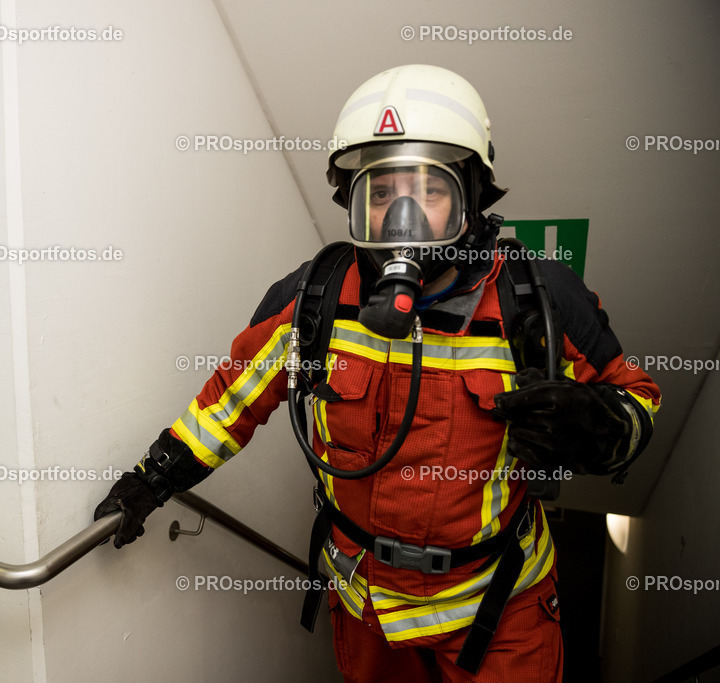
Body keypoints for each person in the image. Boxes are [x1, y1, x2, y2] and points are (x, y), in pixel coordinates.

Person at [94, 64, 660, 682]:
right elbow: (228, 404)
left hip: (497, 612)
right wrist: (151, 480)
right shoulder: (315, 297)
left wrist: (599, 427)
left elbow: (636, 399)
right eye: (383, 194)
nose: (402, 219)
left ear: (470, 197)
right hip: (368, 609)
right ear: (353, 202)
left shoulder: (538, 298)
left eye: (429, 192)